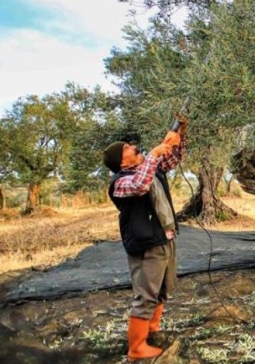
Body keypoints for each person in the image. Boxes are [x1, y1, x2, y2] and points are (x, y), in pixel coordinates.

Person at [102, 119, 186, 362]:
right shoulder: (120, 182)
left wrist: (179, 133)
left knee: (163, 290)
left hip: (164, 239)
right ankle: (136, 348)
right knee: (146, 295)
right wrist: (153, 153)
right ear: (121, 160)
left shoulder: (149, 168)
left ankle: (151, 332)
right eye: (127, 147)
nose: (132, 146)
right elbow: (140, 185)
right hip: (146, 245)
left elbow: (172, 159)